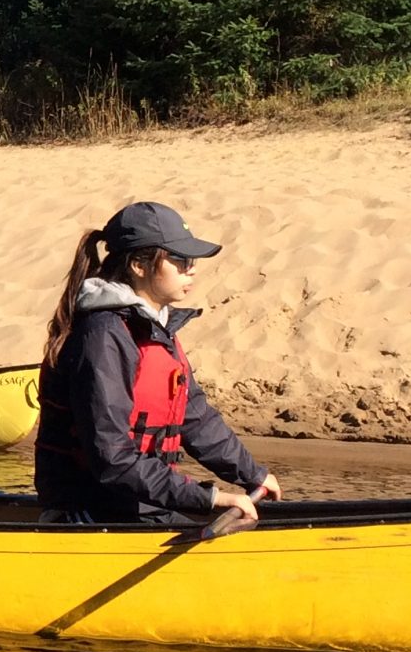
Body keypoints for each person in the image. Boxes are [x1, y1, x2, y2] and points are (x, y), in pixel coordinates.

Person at [35, 200, 280, 530]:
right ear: (139, 265)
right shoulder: (103, 336)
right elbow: (112, 458)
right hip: (90, 507)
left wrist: (253, 473)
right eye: (179, 260)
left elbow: (196, 418)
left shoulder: (155, 327)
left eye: (191, 260)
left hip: (137, 502)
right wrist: (210, 498)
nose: (190, 269)